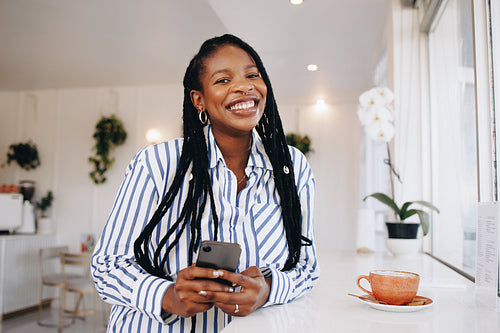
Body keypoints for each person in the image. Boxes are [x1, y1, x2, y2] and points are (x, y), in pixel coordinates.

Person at [91, 34, 319, 333]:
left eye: (252, 75)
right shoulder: (157, 163)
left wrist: (268, 289)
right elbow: (107, 266)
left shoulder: (292, 167)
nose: (244, 86)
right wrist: (167, 295)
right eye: (223, 80)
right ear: (199, 99)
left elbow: (306, 268)